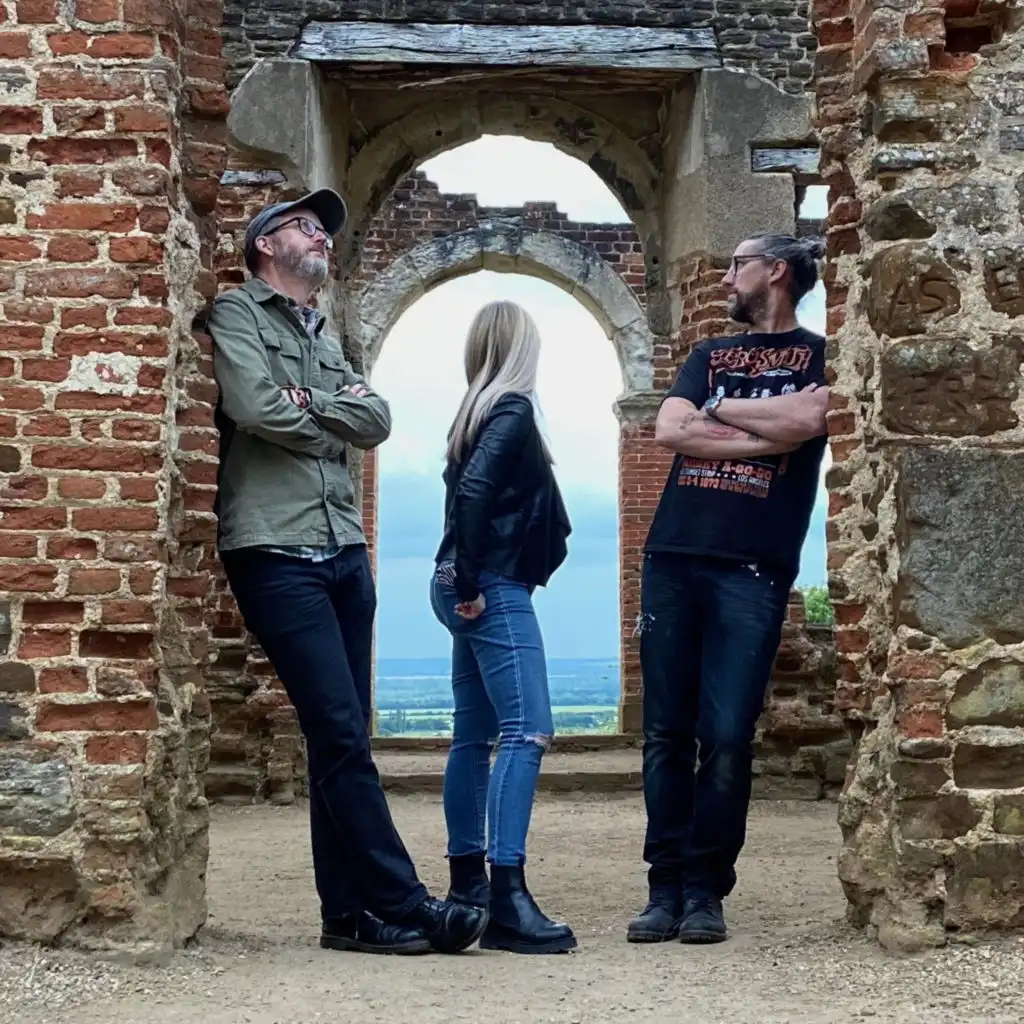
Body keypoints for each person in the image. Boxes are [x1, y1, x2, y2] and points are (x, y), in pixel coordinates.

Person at [207, 187, 487, 956]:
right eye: (305, 225)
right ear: (266, 245)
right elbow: (257, 408)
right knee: (336, 730)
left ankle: (349, 917)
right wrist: (327, 410)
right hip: (273, 549)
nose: (322, 236)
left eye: (325, 228)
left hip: (343, 551)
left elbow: (377, 420)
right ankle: (405, 900)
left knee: (343, 739)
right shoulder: (237, 315)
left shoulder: (325, 333)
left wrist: (310, 401)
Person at [626, 233, 830, 946]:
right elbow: (669, 428)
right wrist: (765, 433)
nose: (725, 280)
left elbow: (810, 420)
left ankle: (705, 890)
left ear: (774, 270)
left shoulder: (821, 356)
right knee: (664, 734)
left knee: (727, 736)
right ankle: (664, 888)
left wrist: (717, 412)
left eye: (737, 266)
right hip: (673, 556)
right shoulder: (708, 355)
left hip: (754, 565)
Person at [428, 299, 577, 955]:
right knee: (528, 729)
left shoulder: (472, 414)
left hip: (457, 581)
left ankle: (470, 888)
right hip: (487, 585)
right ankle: (509, 901)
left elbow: (468, 491)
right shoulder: (512, 409)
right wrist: (470, 582)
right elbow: (475, 492)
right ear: (523, 349)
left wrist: (459, 580)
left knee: (473, 735)